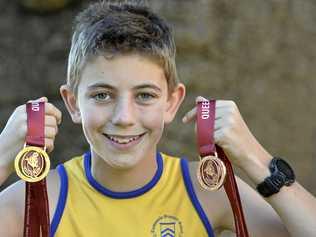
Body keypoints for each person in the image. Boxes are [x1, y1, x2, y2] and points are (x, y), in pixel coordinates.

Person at [0, 0, 316, 236]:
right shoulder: (40, 198)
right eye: (102, 95)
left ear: (171, 102)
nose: (124, 117)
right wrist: (2, 155)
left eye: (145, 95)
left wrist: (257, 160)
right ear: (72, 102)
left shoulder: (206, 191)